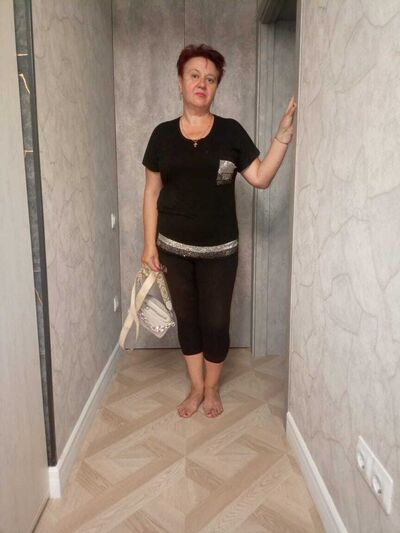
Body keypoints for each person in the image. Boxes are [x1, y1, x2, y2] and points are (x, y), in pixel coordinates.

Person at [141, 43, 296, 419]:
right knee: (187, 320)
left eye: (210, 79)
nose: (202, 83)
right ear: (180, 82)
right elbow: (151, 192)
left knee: (216, 322)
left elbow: (260, 177)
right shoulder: (161, 135)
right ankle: (196, 387)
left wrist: (282, 137)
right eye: (194, 75)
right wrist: (149, 245)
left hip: (220, 251)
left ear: (216, 87)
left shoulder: (230, 132)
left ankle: (212, 388)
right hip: (172, 248)